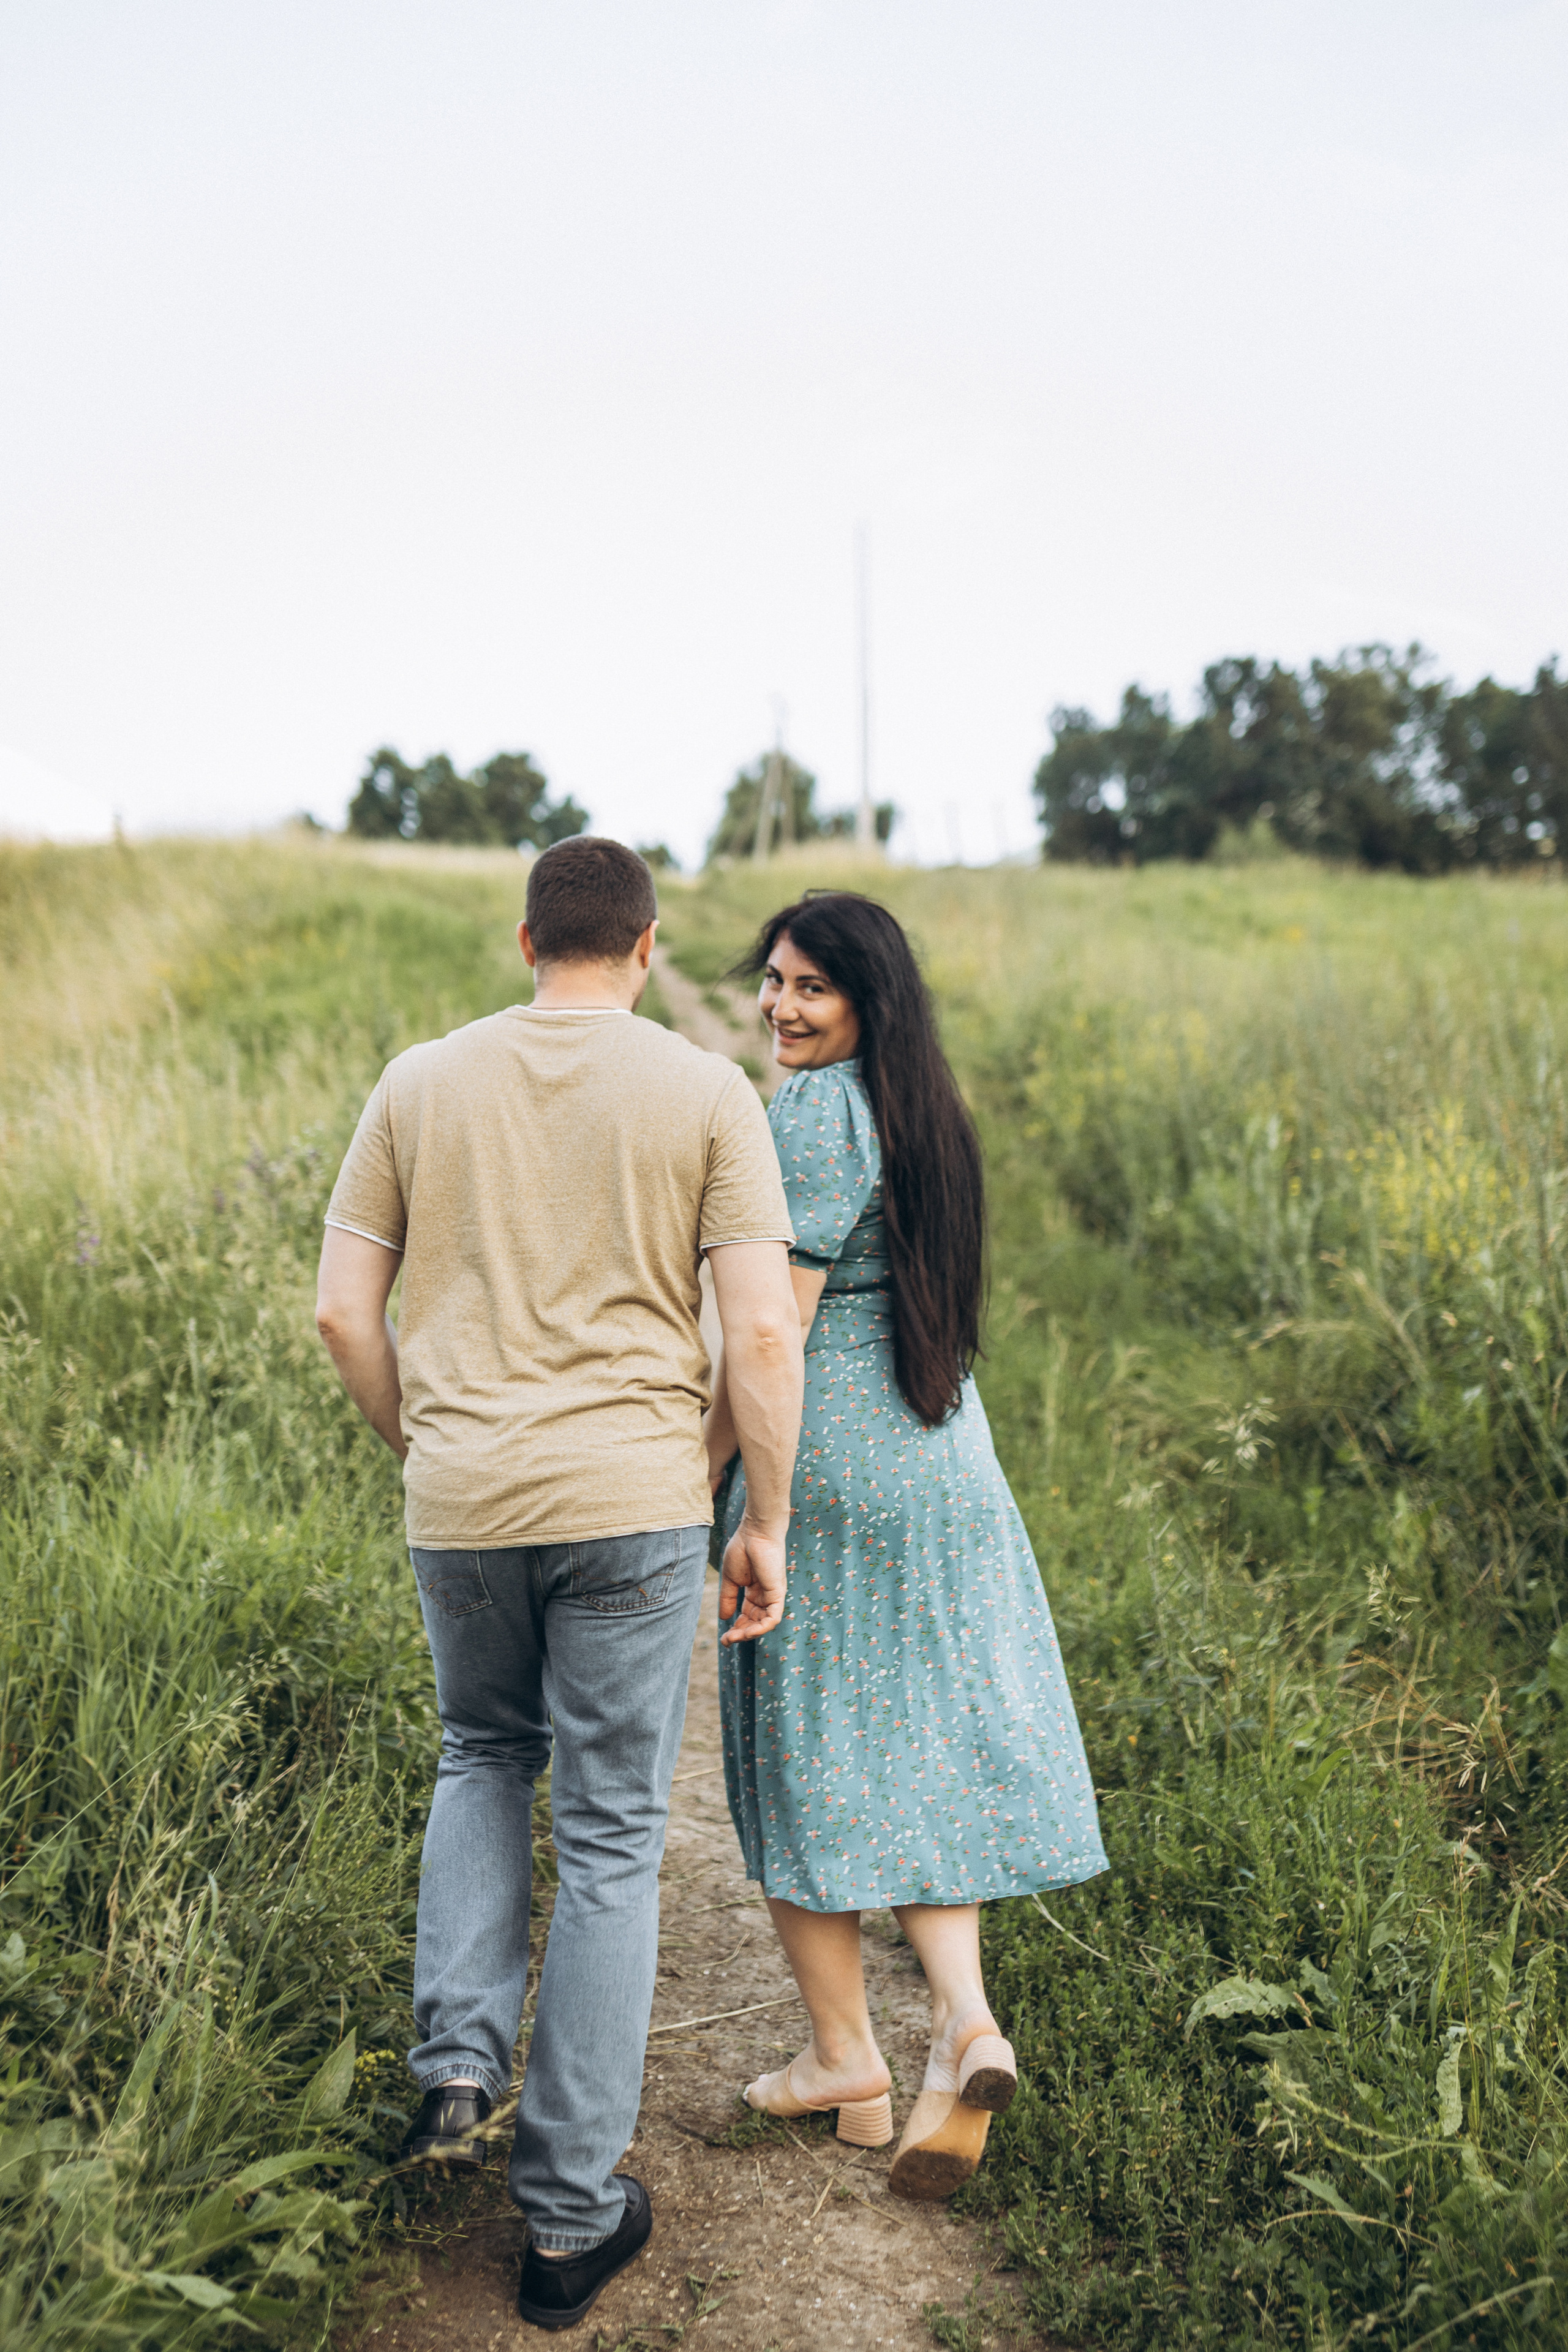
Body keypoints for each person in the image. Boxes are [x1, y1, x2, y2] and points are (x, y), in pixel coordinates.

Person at [314, 837, 804, 2333]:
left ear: (526, 938)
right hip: (632, 1509)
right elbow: (762, 1343)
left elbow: (342, 1313)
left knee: (479, 1754)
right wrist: (761, 1519)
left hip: (462, 1504)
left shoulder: (418, 1079)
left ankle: (455, 2063)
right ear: (644, 950)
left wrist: (434, 1446)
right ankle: (570, 2218)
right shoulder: (708, 1093)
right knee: (606, 1835)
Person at [705, 891, 1107, 2200]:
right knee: (920, 1737)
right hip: (943, 1450)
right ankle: (963, 2024)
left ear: (867, 999)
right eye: (771, 982)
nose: (779, 1008)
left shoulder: (815, 1114)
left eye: (809, 987)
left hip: (833, 1466)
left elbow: (779, 1333)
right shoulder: (923, 1105)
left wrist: (702, 1474)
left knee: (806, 1748)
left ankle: (842, 2060)